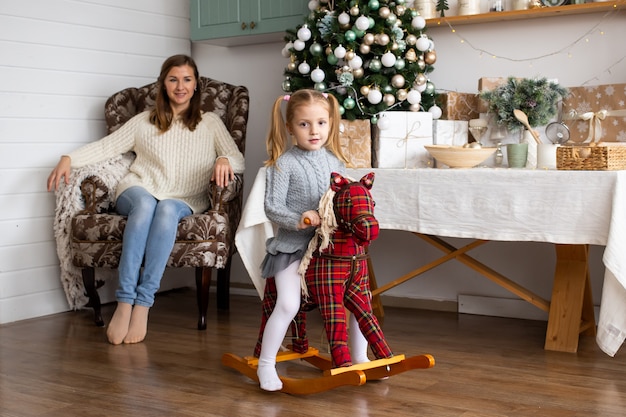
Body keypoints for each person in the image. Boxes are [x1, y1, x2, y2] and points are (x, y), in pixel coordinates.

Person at [47, 54, 245, 345]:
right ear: (163, 84)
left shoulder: (211, 123)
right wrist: (68, 158)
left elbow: (238, 159)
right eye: (173, 79)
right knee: (145, 205)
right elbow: (107, 148)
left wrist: (224, 158)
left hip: (184, 197)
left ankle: (143, 304)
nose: (180, 86)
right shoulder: (144, 121)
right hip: (137, 188)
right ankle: (125, 301)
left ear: (196, 84)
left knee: (165, 209)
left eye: (187, 79)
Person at [254, 89, 358, 391]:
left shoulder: (335, 161)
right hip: (293, 249)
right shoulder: (284, 163)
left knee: (356, 296)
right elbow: (272, 207)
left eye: (321, 123)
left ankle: (361, 357)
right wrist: (300, 219)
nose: (315, 131)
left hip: (327, 250)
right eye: (304, 124)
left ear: (330, 124)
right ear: (290, 127)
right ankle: (266, 364)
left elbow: (344, 199)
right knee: (288, 304)